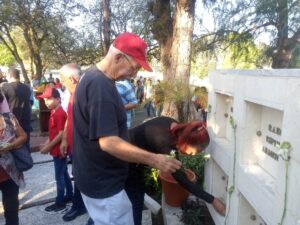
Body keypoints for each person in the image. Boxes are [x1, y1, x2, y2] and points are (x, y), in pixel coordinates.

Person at [72, 32, 181, 225]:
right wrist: (155, 159)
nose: (135, 74)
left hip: (91, 176)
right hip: (104, 183)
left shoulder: (92, 76)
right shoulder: (100, 87)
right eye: (134, 67)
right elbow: (109, 143)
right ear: (118, 57)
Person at [126, 116, 226, 225]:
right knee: (135, 199)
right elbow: (182, 180)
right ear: (186, 141)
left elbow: (175, 158)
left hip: (133, 152)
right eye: (193, 152)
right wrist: (213, 200)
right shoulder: (164, 142)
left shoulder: (175, 127)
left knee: (138, 192)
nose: (192, 155)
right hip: (124, 159)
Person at [58, 63, 87, 222]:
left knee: (80, 176)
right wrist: (64, 140)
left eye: (62, 79)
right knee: (77, 174)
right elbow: (69, 117)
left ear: (71, 78)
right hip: (73, 145)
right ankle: (79, 204)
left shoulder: (83, 93)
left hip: (82, 146)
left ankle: (79, 205)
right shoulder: (72, 93)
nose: (61, 83)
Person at [38, 87, 73, 212]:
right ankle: (69, 195)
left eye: (49, 99)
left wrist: (48, 146)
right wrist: (46, 142)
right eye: (45, 100)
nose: (46, 102)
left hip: (59, 150)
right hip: (56, 150)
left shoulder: (59, 113)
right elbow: (54, 133)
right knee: (63, 174)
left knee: (59, 177)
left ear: (58, 99)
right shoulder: (54, 112)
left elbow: (61, 134)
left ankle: (60, 202)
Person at [0, 92, 27, 225]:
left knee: (11, 211)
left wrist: (10, 145)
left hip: (10, 174)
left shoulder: (9, 118)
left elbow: (23, 136)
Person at [1, 68, 32, 148]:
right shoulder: (27, 87)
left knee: (14, 148)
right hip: (26, 121)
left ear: (9, 75)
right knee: (26, 147)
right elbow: (30, 102)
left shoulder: (5, 87)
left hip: (13, 123)